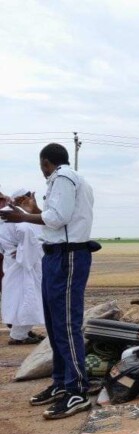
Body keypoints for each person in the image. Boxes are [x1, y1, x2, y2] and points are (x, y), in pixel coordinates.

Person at [0, 143, 95, 419]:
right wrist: (34, 210)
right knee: (55, 325)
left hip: (68, 256)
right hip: (56, 255)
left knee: (66, 324)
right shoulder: (63, 179)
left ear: (45, 163)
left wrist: (22, 216)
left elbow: (57, 218)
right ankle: (62, 383)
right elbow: (58, 220)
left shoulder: (63, 177)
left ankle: (77, 390)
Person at [0, 190, 46, 345]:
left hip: (17, 261)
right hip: (24, 263)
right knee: (27, 299)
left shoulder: (11, 213)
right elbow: (27, 235)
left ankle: (21, 333)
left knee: (20, 298)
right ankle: (19, 335)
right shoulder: (17, 214)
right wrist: (21, 252)